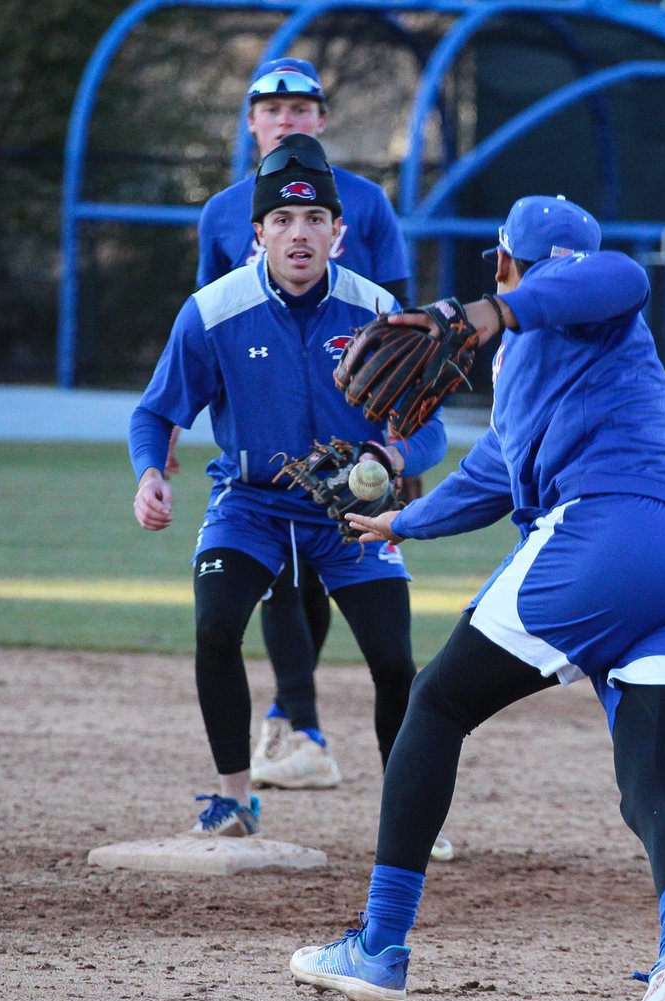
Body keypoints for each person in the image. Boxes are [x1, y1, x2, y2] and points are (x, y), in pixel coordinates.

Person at [290, 196, 665, 1001]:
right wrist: (397, 523)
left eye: (499, 268)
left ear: (505, 265)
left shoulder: (596, 302)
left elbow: (618, 275)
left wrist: (487, 310)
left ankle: (380, 945)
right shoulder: (528, 366)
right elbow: (494, 474)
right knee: (651, 784)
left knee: (436, 702)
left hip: (608, 538)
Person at [128, 134, 447, 846]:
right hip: (252, 505)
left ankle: (407, 818)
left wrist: (392, 457)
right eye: (282, 221)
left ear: (339, 233)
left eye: (313, 222)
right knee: (216, 627)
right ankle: (235, 799)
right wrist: (151, 471)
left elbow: (431, 432)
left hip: (353, 514)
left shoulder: (379, 312)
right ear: (259, 234)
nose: (298, 234)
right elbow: (155, 412)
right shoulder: (213, 311)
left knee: (395, 661)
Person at [178, 56, 416, 798]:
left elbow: (400, 319)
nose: (286, 116)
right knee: (280, 576)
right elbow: (214, 323)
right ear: (252, 121)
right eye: (270, 105)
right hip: (270, 460)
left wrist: (399, 438)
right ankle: (299, 724)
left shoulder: (367, 203)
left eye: (301, 105)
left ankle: (317, 735)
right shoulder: (222, 212)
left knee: (373, 630)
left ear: (320, 118)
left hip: (359, 441)